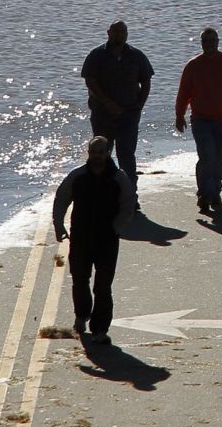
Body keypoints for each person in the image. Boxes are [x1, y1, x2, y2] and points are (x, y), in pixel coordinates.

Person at [52, 136, 137, 346]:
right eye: (93, 152)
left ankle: (100, 329)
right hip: (80, 238)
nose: (97, 157)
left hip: (107, 240)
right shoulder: (78, 176)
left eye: (101, 152)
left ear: (108, 153)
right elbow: (61, 198)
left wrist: (117, 227)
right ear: (88, 153)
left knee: (103, 286)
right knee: (80, 280)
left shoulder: (119, 178)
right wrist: (58, 224)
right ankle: (81, 316)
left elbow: (129, 203)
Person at [174, 28, 222, 214]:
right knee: (207, 156)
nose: (208, 44)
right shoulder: (193, 65)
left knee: (221, 159)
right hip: (201, 120)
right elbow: (183, 93)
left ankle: (215, 191)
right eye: (205, 41)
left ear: (218, 41)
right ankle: (205, 194)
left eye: (212, 40)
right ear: (201, 43)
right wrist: (179, 115)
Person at [81, 21, 153, 194]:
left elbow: (146, 80)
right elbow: (90, 81)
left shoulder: (136, 55)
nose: (119, 35)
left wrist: (139, 105)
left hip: (129, 114)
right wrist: (107, 103)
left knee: (127, 155)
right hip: (102, 114)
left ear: (127, 34)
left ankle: (129, 196)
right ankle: (99, 193)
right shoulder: (97, 55)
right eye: (116, 32)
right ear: (108, 33)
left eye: (123, 32)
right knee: (101, 154)